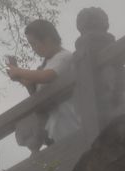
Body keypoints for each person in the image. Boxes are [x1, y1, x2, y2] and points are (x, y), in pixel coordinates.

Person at [5, 18, 79, 146]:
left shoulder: (64, 57)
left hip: (71, 121)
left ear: (48, 40)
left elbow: (46, 76)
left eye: (34, 44)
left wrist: (19, 71)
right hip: (54, 126)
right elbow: (36, 92)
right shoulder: (47, 63)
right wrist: (21, 80)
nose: (34, 48)